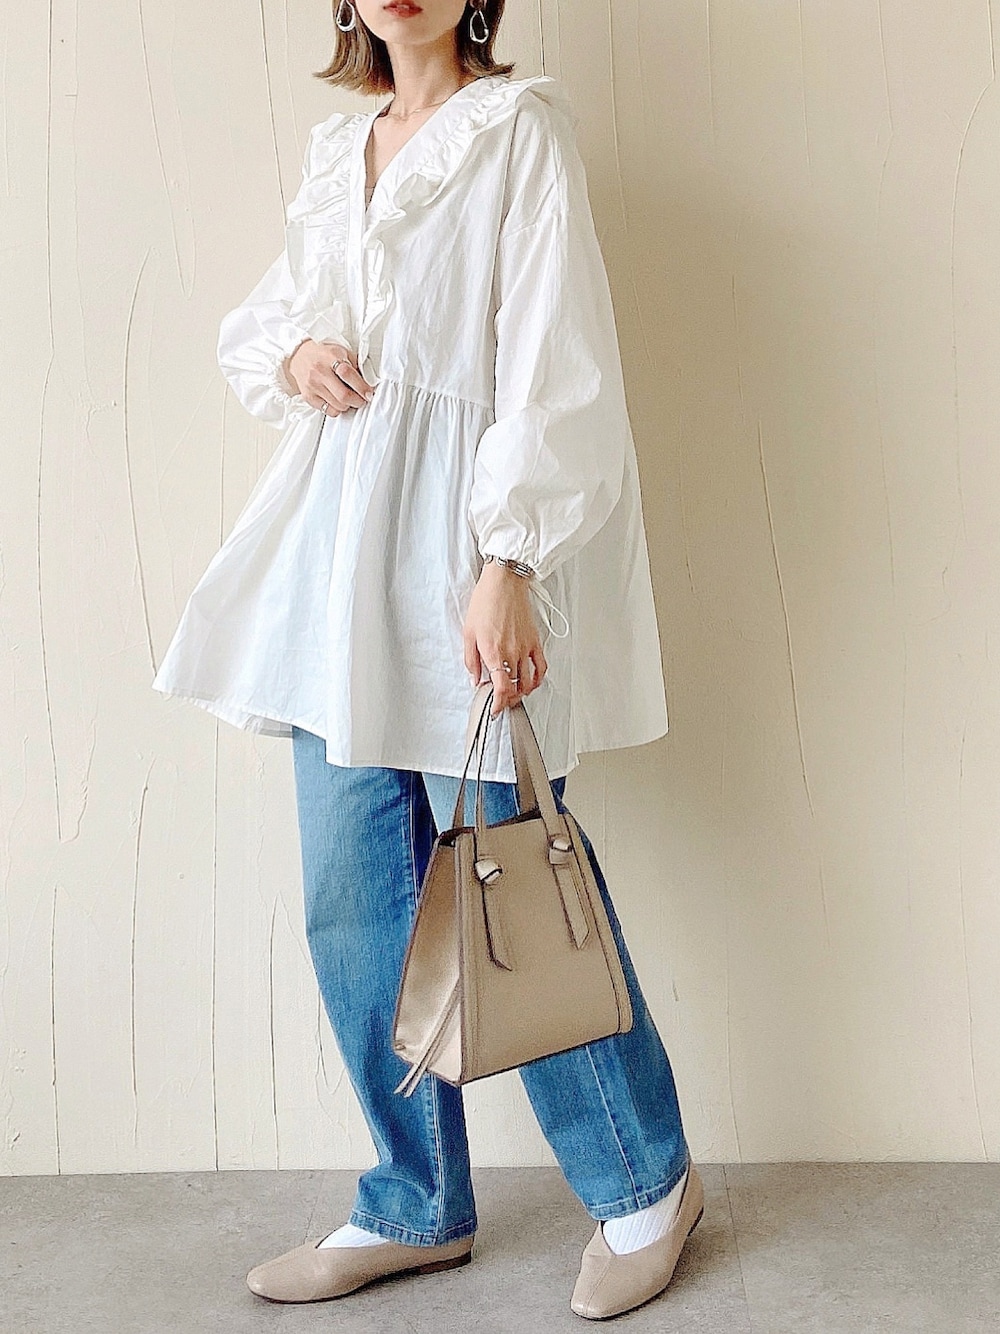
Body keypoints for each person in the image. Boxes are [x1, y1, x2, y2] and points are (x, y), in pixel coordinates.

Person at [151, 0, 703, 1319]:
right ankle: (417, 1199)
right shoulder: (333, 156)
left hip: (459, 550)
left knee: (512, 871)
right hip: (335, 565)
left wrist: (509, 561)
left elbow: (556, 355)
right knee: (354, 895)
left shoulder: (518, 131)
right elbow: (272, 319)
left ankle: (646, 1181)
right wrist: (296, 352)